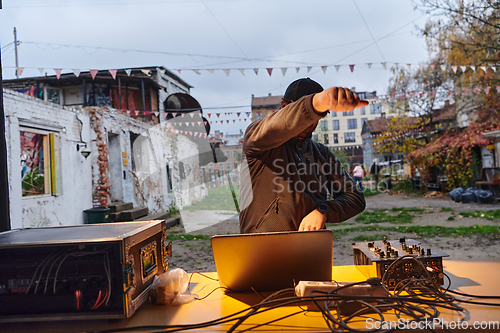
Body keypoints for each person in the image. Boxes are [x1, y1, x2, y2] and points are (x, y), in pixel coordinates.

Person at [239, 78, 367, 233]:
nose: (310, 123)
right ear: (284, 106)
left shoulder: (322, 154)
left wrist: (323, 211)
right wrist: (318, 102)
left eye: (317, 117)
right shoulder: (258, 139)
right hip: (262, 246)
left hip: (311, 247)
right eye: (307, 116)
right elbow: (280, 123)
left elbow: (355, 197)